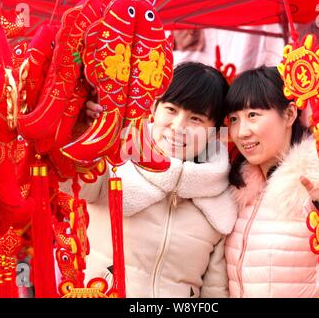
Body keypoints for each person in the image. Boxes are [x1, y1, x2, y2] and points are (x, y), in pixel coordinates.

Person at [73, 61, 237, 297]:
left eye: (196, 119)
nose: (178, 126)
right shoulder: (115, 161)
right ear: (153, 107)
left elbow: (214, 291)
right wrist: (80, 130)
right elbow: (69, 180)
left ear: (214, 129)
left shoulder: (221, 202)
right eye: (171, 109)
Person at [223, 65, 319, 298]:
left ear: (289, 114)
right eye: (234, 119)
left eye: (253, 115)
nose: (241, 132)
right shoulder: (238, 191)